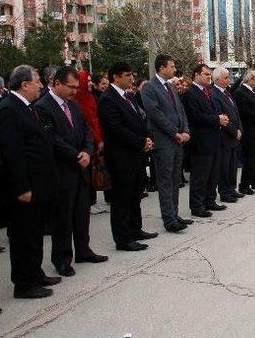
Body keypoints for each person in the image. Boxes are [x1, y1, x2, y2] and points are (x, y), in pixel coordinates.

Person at [35, 66, 108, 277]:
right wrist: (77, 156)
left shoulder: (74, 105)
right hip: (62, 170)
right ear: (57, 83)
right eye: (71, 87)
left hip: (81, 169)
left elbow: (86, 130)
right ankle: (62, 258)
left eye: (77, 87)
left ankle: (83, 250)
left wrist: (87, 150)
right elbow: (52, 139)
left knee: (81, 214)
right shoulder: (43, 107)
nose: (75, 91)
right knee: (63, 218)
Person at [0, 65, 60, 299]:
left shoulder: (27, 107)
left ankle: (35, 273)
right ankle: (24, 283)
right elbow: (13, 153)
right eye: (37, 82)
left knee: (34, 233)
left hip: (39, 185)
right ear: (24, 84)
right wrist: (22, 187)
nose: (41, 85)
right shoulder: (8, 109)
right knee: (24, 235)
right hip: (25, 188)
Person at [98, 62, 157, 251]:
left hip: (136, 155)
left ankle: (135, 229)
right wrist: (140, 142)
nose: (131, 78)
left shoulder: (128, 97)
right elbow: (116, 129)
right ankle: (123, 238)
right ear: (116, 77)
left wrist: (147, 139)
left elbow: (140, 121)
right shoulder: (108, 99)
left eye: (132, 75)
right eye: (127, 75)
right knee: (121, 199)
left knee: (135, 195)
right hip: (121, 158)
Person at [142, 54, 192, 233]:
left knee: (175, 179)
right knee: (165, 180)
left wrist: (185, 130)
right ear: (161, 67)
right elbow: (155, 115)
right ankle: (168, 218)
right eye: (171, 66)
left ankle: (175, 213)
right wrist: (175, 132)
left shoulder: (170, 87)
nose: (174, 69)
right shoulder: (149, 88)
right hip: (164, 141)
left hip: (178, 140)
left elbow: (181, 111)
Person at [182, 64, 229, 217]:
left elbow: (215, 110)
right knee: (200, 176)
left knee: (212, 174)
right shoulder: (190, 93)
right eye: (206, 74)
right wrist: (217, 119)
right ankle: (197, 206)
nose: (209, 77)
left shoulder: (208, 91)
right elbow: (195, 116)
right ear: (196, 75)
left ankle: (210, 200)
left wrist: (221, 117)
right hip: (201, 141)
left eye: (210, 74)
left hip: (214, 139)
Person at [73, 70, 109, 215]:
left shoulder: (90, 97)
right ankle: (89, 202)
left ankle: (92, 201)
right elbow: (88, 123)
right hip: (89, 142)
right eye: (86, 80)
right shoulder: (78, 99)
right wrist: (97, 139)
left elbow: (96, 119)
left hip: (96, 139)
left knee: (93, 170)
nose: (90, 83)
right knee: (88, 172)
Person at [212, 67, 243, 202]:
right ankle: (224, 191)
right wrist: (234, 130)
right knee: (224, 165)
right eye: (225, 77)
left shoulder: (227, 92)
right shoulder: (214, 94)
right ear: (217, 79)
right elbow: (222, 116)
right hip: (225, 135)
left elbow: (235, 113)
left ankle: (231, 188)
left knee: (232, 164)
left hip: (235, 134)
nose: (228, 80)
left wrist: (240, 129)